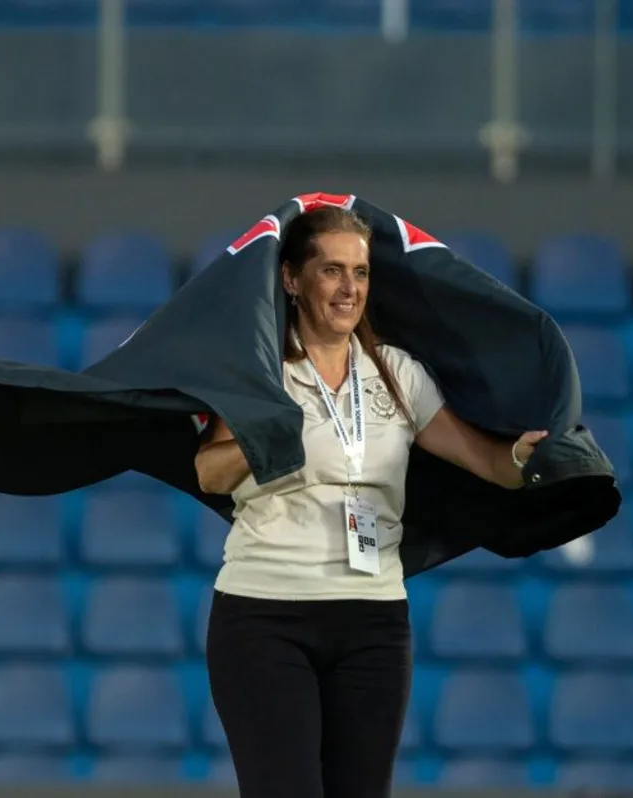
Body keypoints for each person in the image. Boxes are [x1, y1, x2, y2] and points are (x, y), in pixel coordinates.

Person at [195, 205, 549, 798]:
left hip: (374, 620)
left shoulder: (400, 375)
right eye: (331, 271)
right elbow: (208, 471)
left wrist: (529, 460)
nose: (348, 288)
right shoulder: (260, 373)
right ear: (291, 279)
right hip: (264, 614)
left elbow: (488, 462)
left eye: (359, 273)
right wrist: (267, 437)